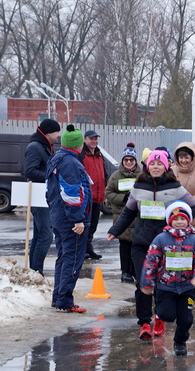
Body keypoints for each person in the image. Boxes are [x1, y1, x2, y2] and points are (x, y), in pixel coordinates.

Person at [107, 149, 195, 339]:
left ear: (165, 166)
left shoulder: (175, 187)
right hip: (141, 243)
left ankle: (159, 316)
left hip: (167, 244)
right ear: (147, 166)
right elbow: (128, 212)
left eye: (159, 164)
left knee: (161, 283)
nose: (155, 167)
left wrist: (182, 225)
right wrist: (115, 230)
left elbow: (193, 206)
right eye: (152, 163)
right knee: (143, 282)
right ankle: (144, 323)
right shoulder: (139, 186)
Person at [141, 201, 195, 356]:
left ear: (188, 220)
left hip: (186, 287)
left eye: (182, 219)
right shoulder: (161, 239)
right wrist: (147, 282)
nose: (179, 222)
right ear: (170, 220)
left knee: (186, 320)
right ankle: (159, 313)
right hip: (166, 287)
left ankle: (180, 342)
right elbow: (151, 261)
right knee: (167, 315)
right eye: (176, 219)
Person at [46, 125, 92, 313]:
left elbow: (50, 191)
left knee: (63, 258)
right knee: (72, 259)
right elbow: (71, 194)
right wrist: (77, 220)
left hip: (58, 216)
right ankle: (64, 301)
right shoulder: (71, 163)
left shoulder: (57, 158)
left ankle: (58, 298)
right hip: (70, 220)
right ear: (78, 144)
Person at [24, 118, 60, 275]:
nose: (59, 135)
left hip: (44, 196)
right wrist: (51, 174)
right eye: (57, 132)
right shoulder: (35, 147)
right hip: (38, 196)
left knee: (40, 235)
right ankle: (37, 271)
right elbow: (29, 171)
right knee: (45, 236)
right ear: (49, 133)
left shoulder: (45, 147)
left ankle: (34, 270)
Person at [105, 143, 142, 283]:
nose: (128, 162)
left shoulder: (142, 175)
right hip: (122, 216)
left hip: (137, 217)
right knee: (124, 246)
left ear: (135, 161)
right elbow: (108, 193)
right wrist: (123, 198)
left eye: (131, 160)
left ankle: (135, 270)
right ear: (122, 161)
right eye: (126, 160)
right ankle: (125, 271)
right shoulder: (115, 176)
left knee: (136, 246)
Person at [79, 130, 107, 260]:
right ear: (85, 139)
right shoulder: (81, 154)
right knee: (84, 225)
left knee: (93, 225)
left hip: (98, 196)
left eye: (96, 139)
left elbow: (104, 173)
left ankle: (88, 248)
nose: (94, 141)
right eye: (91, 139)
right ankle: (82, 249)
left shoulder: (99, 154)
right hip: (86, 198)